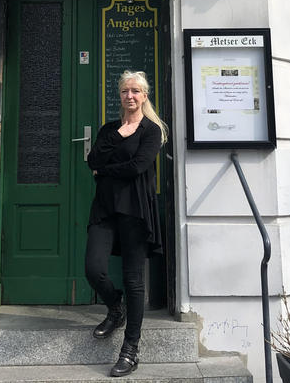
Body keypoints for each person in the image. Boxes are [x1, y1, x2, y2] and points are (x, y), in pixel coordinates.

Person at [85, 70, 167, 377]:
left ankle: (131, 349)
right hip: (105, 209)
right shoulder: (110, 129)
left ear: (144, 95)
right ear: (120, 96)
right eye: (124, 91)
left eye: (135, 91)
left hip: (135, 211)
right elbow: (93, 160)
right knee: (93, 269)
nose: (129, 96)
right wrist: (116, 140)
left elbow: (138, 166)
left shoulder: (152, 131)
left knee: (134, 280)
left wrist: (106, 171)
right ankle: (115, 307)